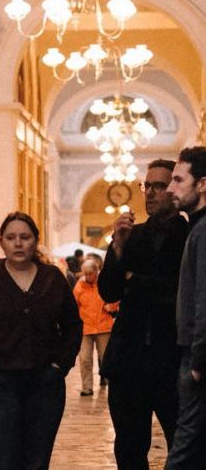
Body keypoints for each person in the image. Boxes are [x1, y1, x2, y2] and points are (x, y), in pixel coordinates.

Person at [0, 211, 82, 470]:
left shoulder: (52, 278)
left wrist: (60, 365)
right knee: (3, 463)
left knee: (37, 463)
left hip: (44, 385)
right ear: (2, 242)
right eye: (11, 237)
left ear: (35, 241)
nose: (18, 243)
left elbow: (72, 325)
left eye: (25, 237)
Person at [98, 159, 189, 470]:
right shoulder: (130, 236)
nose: (149, 193)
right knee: (129, 448)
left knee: (184, 447)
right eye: (146, 186)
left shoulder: (191, 236)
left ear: (175, 191)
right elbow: (109, 292)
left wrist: (135, 282)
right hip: (128, 361)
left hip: (173, 361)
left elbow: (181, 293)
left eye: (158, 186)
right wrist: (118, 250)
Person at [164, 147, 206, 469]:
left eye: (178, 180)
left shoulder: (203, 231)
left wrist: (198, 361)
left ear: (202, 184)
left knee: (183, 453)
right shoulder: (196, 228)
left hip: (197, 359)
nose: (169, 188)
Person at [73, 259, 117, 396]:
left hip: (103, 326)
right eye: (85, 273)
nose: (87, 276)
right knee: (85, 358)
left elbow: (115, 298)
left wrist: (111, 307)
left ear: (97, 271)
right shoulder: (79, 286)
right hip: (86, 327)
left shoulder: (105, 282)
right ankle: (87, 387)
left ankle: (111, 385)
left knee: (105, 357)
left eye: (90, 273)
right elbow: (74, 305)